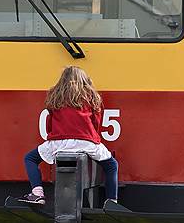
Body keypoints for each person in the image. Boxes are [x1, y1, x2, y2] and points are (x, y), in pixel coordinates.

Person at [19, 66, 118, 205]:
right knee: (111, 165)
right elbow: (96, 123)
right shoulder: (91, 96)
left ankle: (37, 193)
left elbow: (49, 123)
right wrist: (93, 138)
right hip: (86, 141)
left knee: (30, 158)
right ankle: (112, 201)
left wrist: (53, 137)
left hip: (59, 141)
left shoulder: (55, 96)